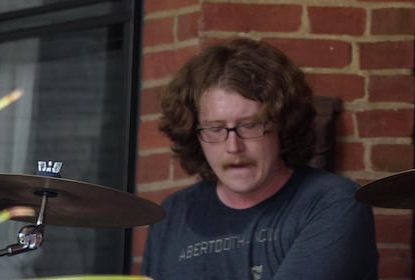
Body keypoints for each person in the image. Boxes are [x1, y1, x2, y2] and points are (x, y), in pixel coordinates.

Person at [141, 37, 378, 280]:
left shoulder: (333, 202)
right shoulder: (174, 213)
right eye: (214, 129)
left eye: (250, 125)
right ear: (195, 134)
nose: (233, 146)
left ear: (282, 124)